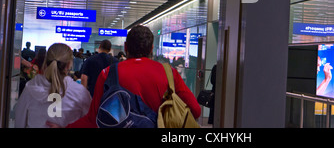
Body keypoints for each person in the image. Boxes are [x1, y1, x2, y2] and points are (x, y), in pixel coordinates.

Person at [60, 25, 201, 128]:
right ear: (151, 49)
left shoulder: (108, 73)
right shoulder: (169, 73)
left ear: (126, 47)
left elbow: (93, 120)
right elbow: (195, 110)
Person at [14, 43, 92, 128]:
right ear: (69, 64)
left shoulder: (30, 88)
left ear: (46, 61)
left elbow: (19, 122)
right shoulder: (80, 93)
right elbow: (91, 123)